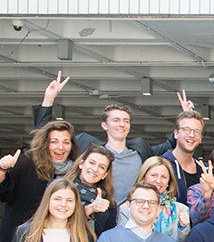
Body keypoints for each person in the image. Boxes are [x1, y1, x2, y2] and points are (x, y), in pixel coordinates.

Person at [36, 75, 186, 198]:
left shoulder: (140, 150)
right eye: (116, 120)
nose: (121, 124)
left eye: (126, 121)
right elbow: (46, 137)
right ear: (104, 125)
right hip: (99, 214)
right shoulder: (91, 151)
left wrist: (185, 118)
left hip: (133, 216)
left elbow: (170, 145)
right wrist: (48, 100)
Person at [68, 145, 117, 237]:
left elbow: (108, 236)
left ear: (105, 174)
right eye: (91, 163)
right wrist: (90, 209)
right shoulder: (61, 188)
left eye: (101, 167)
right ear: (81, 164)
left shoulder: (108, 202)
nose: (95, 169)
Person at [163, 110, 205, 205]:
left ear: (200, 138)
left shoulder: (205, 170)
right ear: (176, 134)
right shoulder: (163, 165)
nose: (191, 135)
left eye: (196, 131)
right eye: (186, 130)